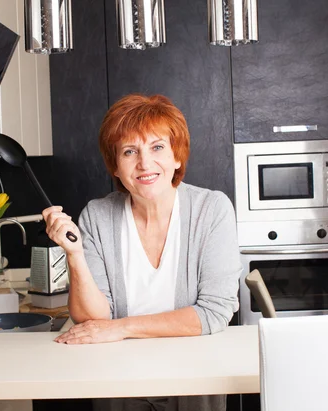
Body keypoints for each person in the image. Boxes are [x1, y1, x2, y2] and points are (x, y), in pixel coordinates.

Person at [43, 94, 242, 411]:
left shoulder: (212, 210)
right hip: (118, 382)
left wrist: (122, 327)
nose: (145, 163)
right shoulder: (97, 216)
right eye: (129, 151)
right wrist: (75, 254)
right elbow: (92, 319)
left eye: (157, 147)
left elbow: (215, 312)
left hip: (194, 382)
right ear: (116, 167)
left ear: (177, 156)